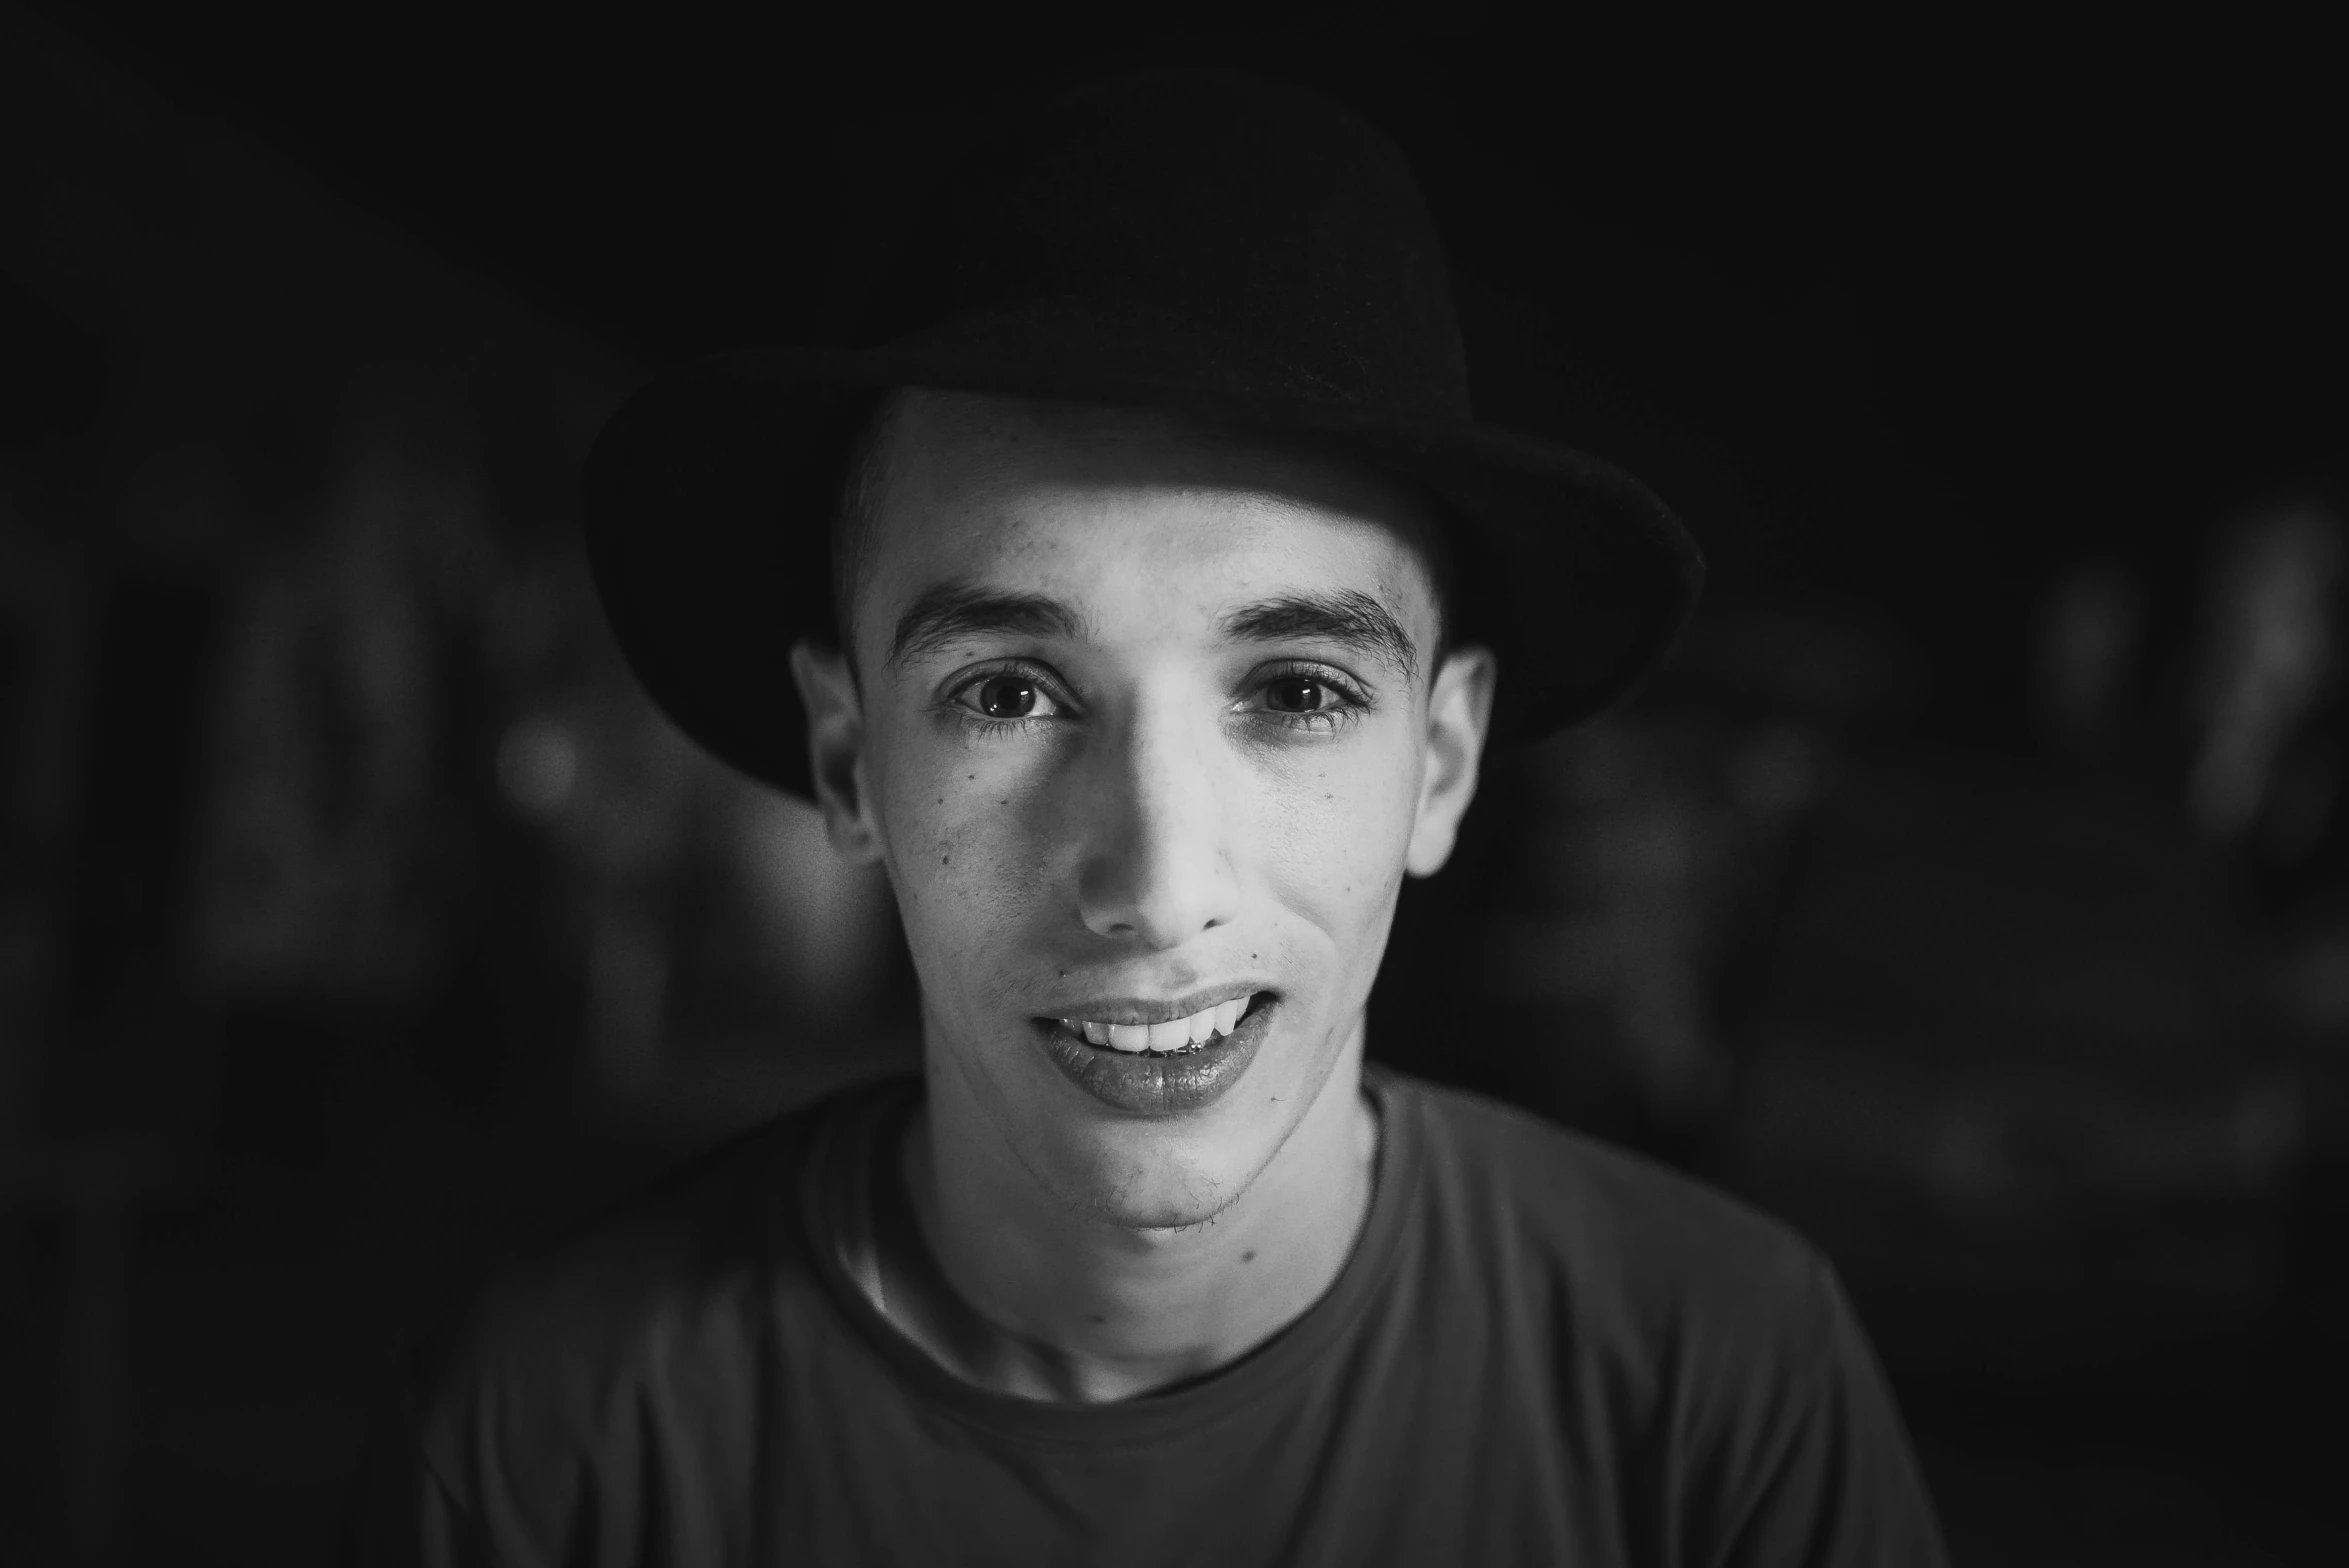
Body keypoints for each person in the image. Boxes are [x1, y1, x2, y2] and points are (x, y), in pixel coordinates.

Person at [344, 70, 1948, 1565]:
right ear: (847, 762)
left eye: (1300, 692)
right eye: (1011, 694)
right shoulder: (556, 1447)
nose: (1156, 886)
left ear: (1442, 763)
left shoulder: (1717, 1396)